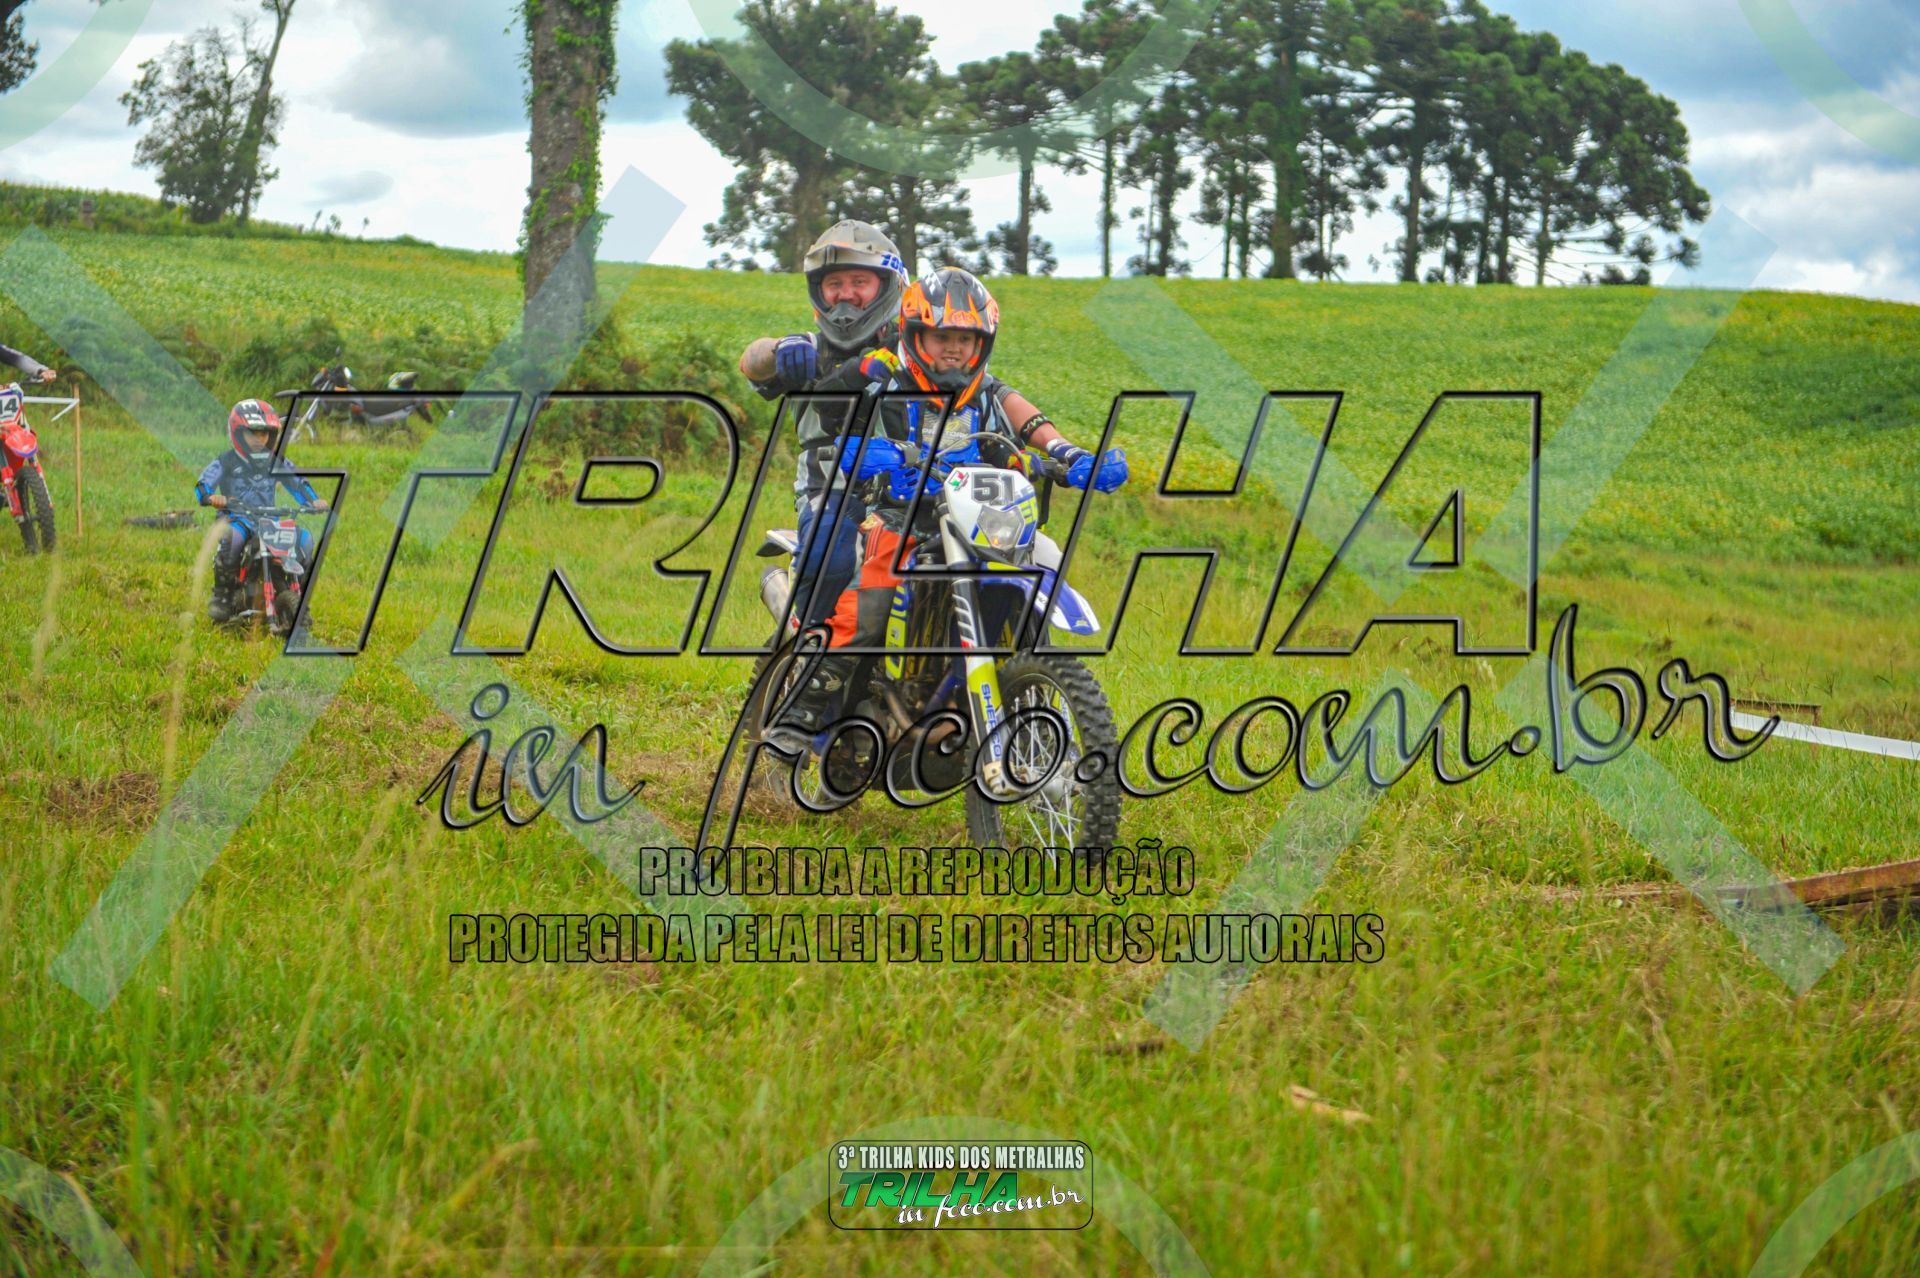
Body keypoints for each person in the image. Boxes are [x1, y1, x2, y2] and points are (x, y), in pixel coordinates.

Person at [764, 267, 1128, 752]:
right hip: (897, 519)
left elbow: (1024, 421)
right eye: (941, 337)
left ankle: (1031, 683)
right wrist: (865, 447)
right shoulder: (884, 377)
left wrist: (1067, 456)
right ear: (916, 336)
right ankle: (799, 714)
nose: (953, 349)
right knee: (866, 608)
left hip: (976, 520)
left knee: (1045, 555)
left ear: (982, 343)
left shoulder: (984, 391)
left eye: (965, 338)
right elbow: (835, 417)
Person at [738, 220, 909, 628]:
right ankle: (809, 645)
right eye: (834, 284)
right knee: (832, 552)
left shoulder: (916, 351)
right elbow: (751, 362)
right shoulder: (808, 349)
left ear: (887, 285)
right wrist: (778, 349)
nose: (845, 294)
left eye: (858, 281)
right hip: (831, 489)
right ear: (819, 291)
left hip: (913, 487)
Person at [193, 399, 330, 621]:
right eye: (253, 433)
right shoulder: (226, 461)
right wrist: (211, 497)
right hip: (237, 518)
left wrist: (313, 501)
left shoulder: (277, 461)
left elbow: (298, 482)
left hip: (269, 520)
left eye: (264, 434)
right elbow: (203, 484)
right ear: (238, 433)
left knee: (305, 539)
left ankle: (300, 597)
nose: (259, 439)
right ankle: (222, 596)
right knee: (232, 538)